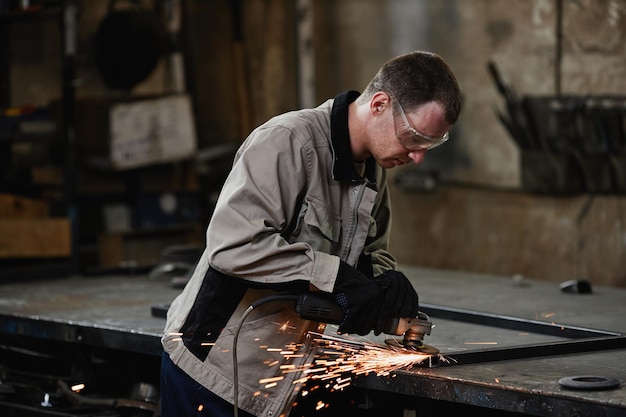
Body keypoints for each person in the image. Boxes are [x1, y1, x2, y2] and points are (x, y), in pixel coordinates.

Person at [160, 50, 462, 417]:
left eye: (431, 144)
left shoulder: (373, 169)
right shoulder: (288, 141)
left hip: (281, 377)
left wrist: (382, 282)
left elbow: (371, 249)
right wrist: (335, 277)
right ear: (380, 104)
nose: (418, 156)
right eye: (415, 136)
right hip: (213, 370)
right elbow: (232, 246)